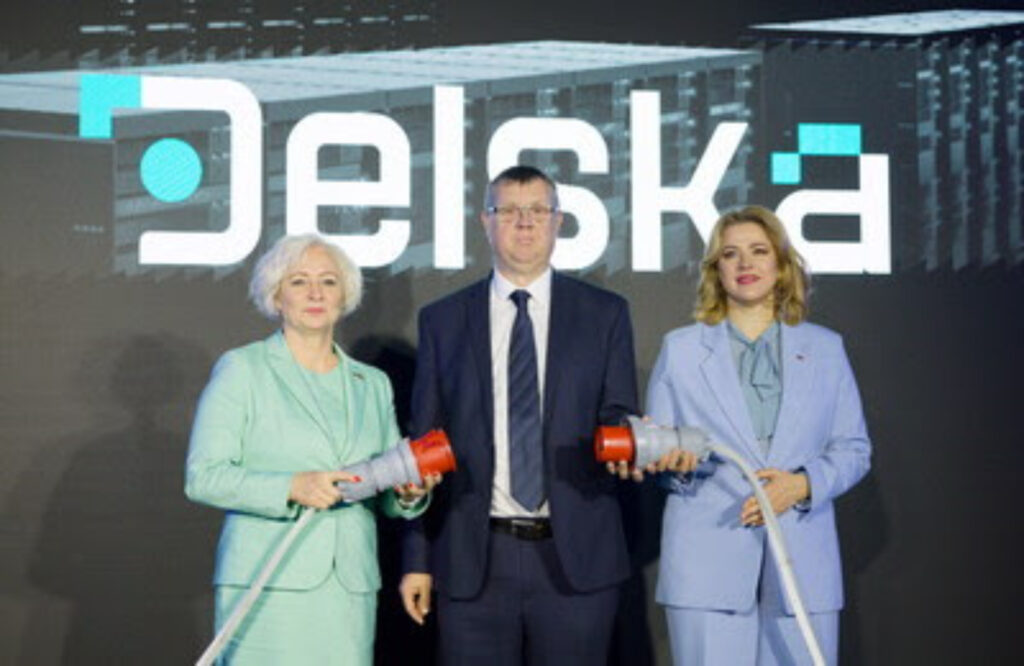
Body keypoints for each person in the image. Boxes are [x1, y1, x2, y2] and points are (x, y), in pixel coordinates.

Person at [399, 165, 639, 665]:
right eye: (508, 210)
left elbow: (619, 414)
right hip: (474, 557)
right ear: (485, 221)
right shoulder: (443, 320)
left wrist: (633, 442)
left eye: (537, 211)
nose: (524, 222)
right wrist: (416, 558)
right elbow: (423, 445)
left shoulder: (605, 313)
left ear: (558, 222)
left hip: (577, 560)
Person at [185, 234, 437, 665]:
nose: (316, 293)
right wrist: (291, 486)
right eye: (299, 281)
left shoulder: (371, 384)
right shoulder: (243, 369)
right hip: (268, 583)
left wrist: (409, 495)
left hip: (349, 590)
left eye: (329, 281)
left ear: (345, 295)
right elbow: (203, 477)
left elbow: (387, 490)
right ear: (276, 295)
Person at [642, 206, 871, 665]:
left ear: (781, 264)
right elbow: (659, 455)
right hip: (706, 565)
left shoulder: (826, 349)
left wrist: (801, 485)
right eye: (730, 254)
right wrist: (674, 466)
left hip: (803, 568)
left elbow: (854, 449)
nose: (745, 263)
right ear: (716, 269)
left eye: (759, 251)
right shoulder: (681, 350)